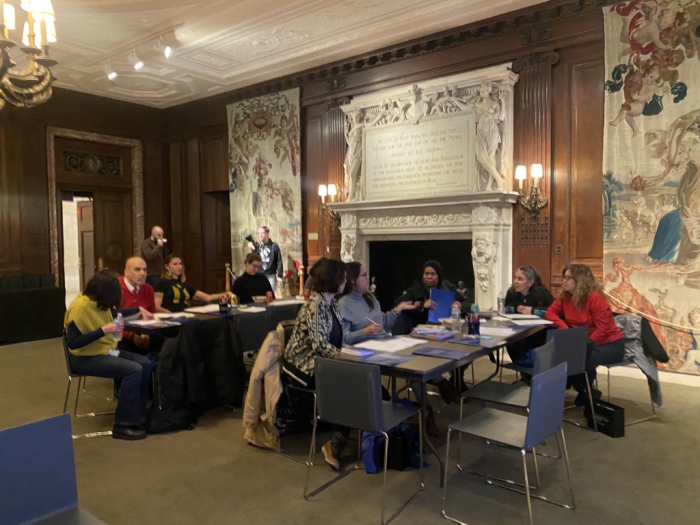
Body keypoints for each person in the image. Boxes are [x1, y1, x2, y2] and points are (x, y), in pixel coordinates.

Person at [64, 271, 156, 440]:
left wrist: (139, 309)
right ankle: (123, 424)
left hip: (106, 351)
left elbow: (115, 314)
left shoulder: (98, 302)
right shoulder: (80, 308)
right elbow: (73, 343)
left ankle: (138, 415)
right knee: (133, 370)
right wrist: (104, 330)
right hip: (85, 357)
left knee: (145, 363)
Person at [283, 259, 348, 469]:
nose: (346, 281)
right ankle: (335, 443)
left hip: (323, 360)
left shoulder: (333, 303)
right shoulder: (316, 305)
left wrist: (349, 354)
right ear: (334, 280)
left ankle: (380, 432)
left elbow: (338, 340)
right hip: (302, 364)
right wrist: (347, 358)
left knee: (364, 382)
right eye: (343, 277)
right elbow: (319, 346)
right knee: (348, 386)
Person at [545, 264, 624, 406]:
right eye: (564, 277)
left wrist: (582, 344)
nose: (564, 281)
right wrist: (565, 329)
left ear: (579, 280)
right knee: (560, 352)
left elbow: (603, 330)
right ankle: (582, 390)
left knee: (581, 357)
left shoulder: (594, 298)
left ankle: (585, 391)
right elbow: (550, 313)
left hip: (609, 343)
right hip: (583, 341)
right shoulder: (566, 297)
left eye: (568, 278)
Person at [337, 262, 418, 344]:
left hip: (386, 342)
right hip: (367, 348)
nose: (367, 278)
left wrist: (398, 309)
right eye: (364, 275)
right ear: (352, 280)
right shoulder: (343, 305)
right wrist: (365, 332)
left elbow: (384, 324)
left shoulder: (369, 298)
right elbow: (343, 338)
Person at [392, 260, 470, 336]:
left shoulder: (448, 287)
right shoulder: (415, 289)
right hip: (420, 331)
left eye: (433, 274)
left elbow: (469, 304)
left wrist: (460, 305)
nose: (429, 277)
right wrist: (422, 305)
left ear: (438, 276)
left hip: (446, 329)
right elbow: (398, 303)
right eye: (426, 274)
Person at [502, 266, 555, 368]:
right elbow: (507, 308)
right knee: (511, 342)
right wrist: (517, 308)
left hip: (537, 332)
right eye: (515, 277)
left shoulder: (541, 293)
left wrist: (533, 311)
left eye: (520, 279)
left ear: (530, 283)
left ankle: (530, 370)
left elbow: (554, 311)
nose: (515, 281)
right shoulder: (512, 292)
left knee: (533, 341)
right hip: (517, 329)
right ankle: (522, 369)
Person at [154, 254, 232, 312]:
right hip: (170, 319)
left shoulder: (185, 285)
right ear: (167, 266)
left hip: (185, 316)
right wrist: (172, 315)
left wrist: (224, 294)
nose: (179, 267)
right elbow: (156, 307)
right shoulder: (161, 283)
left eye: (180, 264)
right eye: (175, 264)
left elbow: (206, 297)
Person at [119, 257, 158, 355]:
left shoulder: (148, 289)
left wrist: (146, 333)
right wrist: (131, 335)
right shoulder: (116, 288)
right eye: (137, 269)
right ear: (126, 272)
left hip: (142, 331)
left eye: (144, 270)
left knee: (169, 337)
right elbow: (111, 318)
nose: (142, 273)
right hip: (121, 334)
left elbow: (152, 314)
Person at [248, 226, 283, 291]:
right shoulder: (257, 246)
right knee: (259, 295)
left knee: (270, 296)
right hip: (258, 275)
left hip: (270, 275)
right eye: (259, 233)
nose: (260, 235)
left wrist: (280, 276)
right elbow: (253, 261)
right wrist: (253, 249)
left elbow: (279, 261)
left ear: (267, 233)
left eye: (262, 233)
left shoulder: (274, 246)